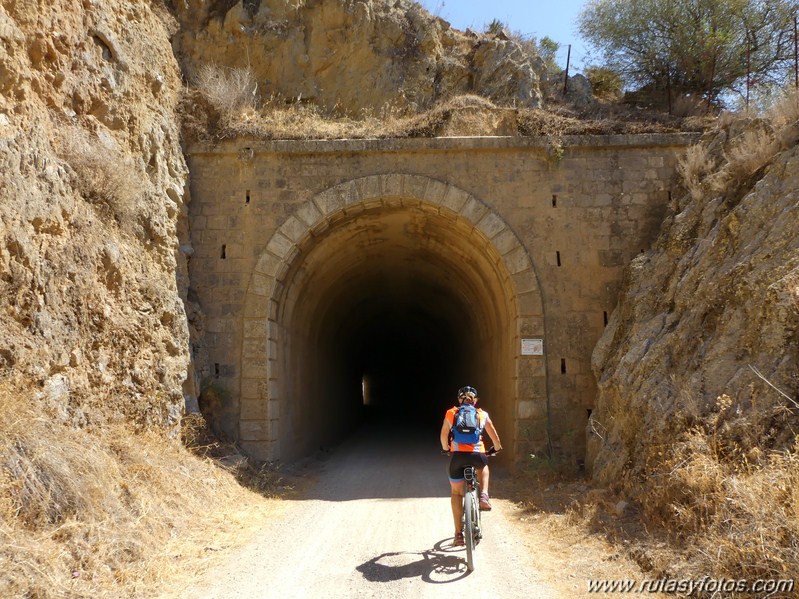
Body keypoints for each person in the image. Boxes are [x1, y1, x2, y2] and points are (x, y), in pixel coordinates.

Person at [440, 385, 502, 547]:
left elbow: (444, 435)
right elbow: (494, 436)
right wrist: (496, 449)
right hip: (477, 456)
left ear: (459, 399)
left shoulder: (451, 413)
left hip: (457, 457)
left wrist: (446, 449)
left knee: (456, 493)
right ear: (475, 401)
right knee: (484, 467)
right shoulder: (482, 414)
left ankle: (458, 534)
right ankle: (484, 496)